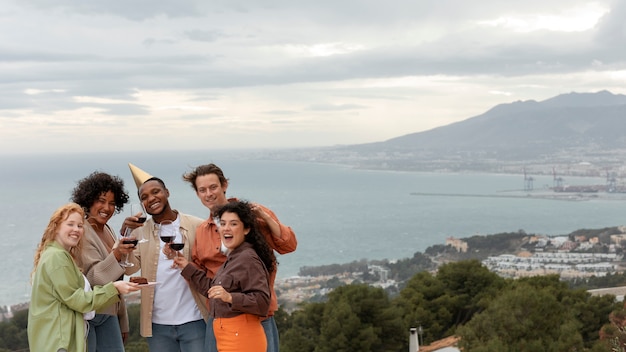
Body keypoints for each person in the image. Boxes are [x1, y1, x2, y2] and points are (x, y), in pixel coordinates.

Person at [182, 163, 297, 352]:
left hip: (257, 317)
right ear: (197, 194)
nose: (208, 194)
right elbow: (202, 276)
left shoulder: (252, 215)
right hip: (220, 320)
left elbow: (289, 245)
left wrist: (265, 217)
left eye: (213, 187)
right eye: (202, 190)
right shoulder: (202, 230)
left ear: (224, 185)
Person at [28, 203, 140, 352]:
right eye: (70, 224)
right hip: (60, 342)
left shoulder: (55, 254)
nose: (76, 230)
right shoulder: (57, 258)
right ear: (56, 228)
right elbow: (78, 300)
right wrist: (114, 288)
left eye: (80, 226)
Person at [122, 163, 208, 352]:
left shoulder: (197, 226)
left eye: (156, 192)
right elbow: (128, 269)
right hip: (158, 326)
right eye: (144, 197)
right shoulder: (140, 232)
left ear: (167, 192)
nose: (151, 199)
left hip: (195, 320)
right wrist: (126, 234)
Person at [173, 201, 275, 352]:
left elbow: (262, 302)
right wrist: (186, 266)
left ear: (246, 229)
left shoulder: (247, 258)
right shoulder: (235, 256)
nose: (226, 228)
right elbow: (213, 290)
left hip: (242, 337)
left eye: (233, 224)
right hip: (227, 335)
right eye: (222, 223)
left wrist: (230, 297)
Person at [71, 171, 135, 352]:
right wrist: (117, 254)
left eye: (112, 203)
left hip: (108, 314)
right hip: (89, 315)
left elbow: (118, 279)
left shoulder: (106, 229)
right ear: (88, 200)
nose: (107, 208)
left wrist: (122, 320)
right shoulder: (82, 231)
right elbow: (95, 278)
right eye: (101, 200)